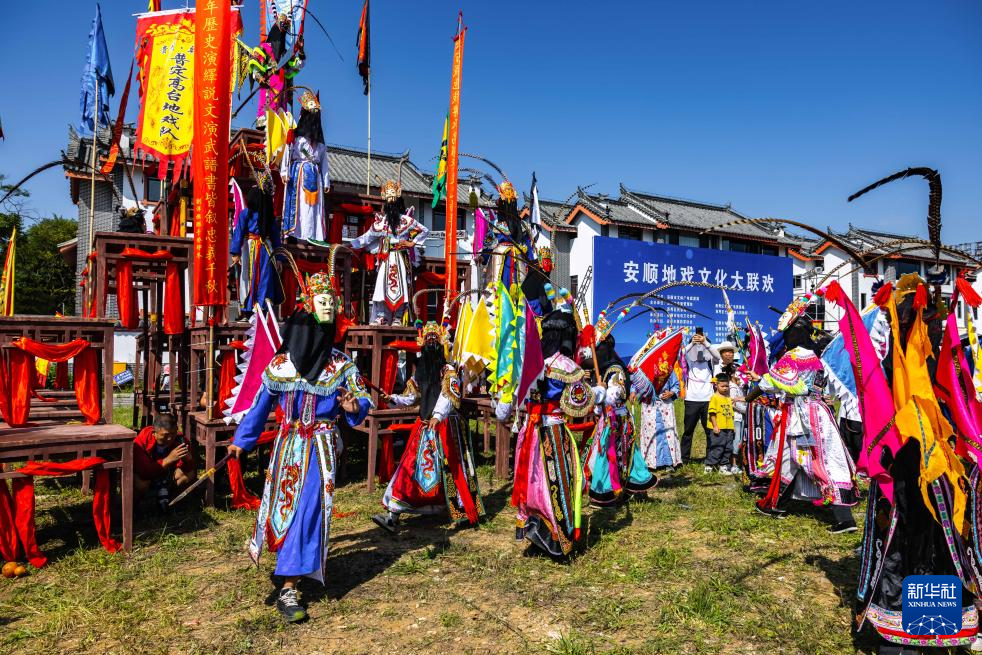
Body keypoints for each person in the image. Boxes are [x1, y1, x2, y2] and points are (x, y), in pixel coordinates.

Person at [228, 272, 372, 623]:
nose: (330, 308)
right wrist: (240, 441)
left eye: (332, 304)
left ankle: (289, 585)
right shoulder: (282, 364)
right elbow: (259, 406)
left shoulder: (341, 365)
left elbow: (362, 399)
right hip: (287, 446)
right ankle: (292, 564)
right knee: (283, 509)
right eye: (322, 303)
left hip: (320, 449)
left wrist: (354, 407)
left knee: (308, 510)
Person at [501, 307, 600, 556]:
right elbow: (579, 403)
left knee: (532, 480)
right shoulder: (566, 366)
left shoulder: (531, 363)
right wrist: (599, 392)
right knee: (555, 482)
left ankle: (533, 527)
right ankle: (556, 535)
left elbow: (516, 399)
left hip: (531, 430)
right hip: (553, 431)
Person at [372, 322, 483, 532]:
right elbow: (411, 397)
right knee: (410, 468)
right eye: (428, 338)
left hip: (446, 426)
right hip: (424, 425)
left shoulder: (448, 370)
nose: (431, 341)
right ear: (422, 343)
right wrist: (392, 398)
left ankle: (461, 510)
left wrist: (438, 416)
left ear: (441, 343)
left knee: (452, 469)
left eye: (435, 338)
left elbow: (449, 395)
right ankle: (393, 513)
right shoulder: (420, 371)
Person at [583, 334, 658, 505]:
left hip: (617, 420)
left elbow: (615, 395)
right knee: (608, 454)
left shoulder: (616, 370)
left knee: (613, 455)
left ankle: (610, 491)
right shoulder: (607, 370)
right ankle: (619, 488)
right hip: (609, 419)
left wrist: (600, 391)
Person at [349, 179, 429, 325]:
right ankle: (382, 316)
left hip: (400, 257)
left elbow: (424, 230)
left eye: (393, 200)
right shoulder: (381, 223)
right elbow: (366, 237)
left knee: (401, 286)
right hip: (385, 258)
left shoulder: (406, 220)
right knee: (381, 286)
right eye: (389, 201)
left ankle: (398, 317)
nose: (391, 204)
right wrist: (350, 244)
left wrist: (411, 243)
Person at [281, 90, 329, 242]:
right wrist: (284, 172)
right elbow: (287, 154)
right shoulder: (295, 137)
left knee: (312, 208)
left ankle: (311, 235)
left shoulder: (320, 143)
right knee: (298, 204)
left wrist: (326, 181)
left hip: (314, 175)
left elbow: (324, 162)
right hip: (298, 173)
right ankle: (294, 234)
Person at [230, 180, 284, 314]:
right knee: (259, 275)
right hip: (263, 247)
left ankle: (254, 305)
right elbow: (275, 237)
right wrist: (278, 258)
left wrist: (236, 252)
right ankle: (257, 304)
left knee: (253, 274)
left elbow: (238, 233)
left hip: (253, 247)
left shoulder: (248, 213)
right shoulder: (262, 214)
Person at [133, 412, 196, 512]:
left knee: (188, 474)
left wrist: (188, 459)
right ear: (154, 433)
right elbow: (143, 471)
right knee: (140, 484)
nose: (170, 438)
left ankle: (173, 501)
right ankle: (134, 508)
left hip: (168, 476)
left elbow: (191, 468)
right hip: (148, 476)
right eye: (165, 435)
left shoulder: (180, 440)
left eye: (173, 433)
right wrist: (168, 459)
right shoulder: (142, 440)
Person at [680, 330, 720, 462]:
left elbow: (718, 356)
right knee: (688, 431)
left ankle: (710, 459)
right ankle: (684, 459)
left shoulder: (711, 361)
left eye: (702, 347)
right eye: (696, 347)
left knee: (709, 431)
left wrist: (705, 342)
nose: (699, 350)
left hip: (708, 400)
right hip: (691, 400)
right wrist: (692, 343)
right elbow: (680, 353)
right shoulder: (689, 361)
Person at [632, 367, 682, 471]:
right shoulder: (644, 368)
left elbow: (676, 385)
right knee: (650, 433)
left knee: (667, 432)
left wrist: (671, 393)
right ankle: (650, 462)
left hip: (665, 404)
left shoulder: (667, 367)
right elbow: (635, 383)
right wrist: (633, 392)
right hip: (649, 405)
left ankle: (668, 462)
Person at [706, 374, 735, 474]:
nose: (725, 388)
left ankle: (723, 466)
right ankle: (709, 466)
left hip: (728, 428)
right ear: (716, 385)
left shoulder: (728, 398)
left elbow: (730, 413)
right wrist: (715, 426)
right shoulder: (714, 397)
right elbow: (712, 413)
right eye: (722, 386)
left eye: (727, 386)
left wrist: (732, 427)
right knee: (717, 447)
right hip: (718, 427)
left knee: (728, 447)